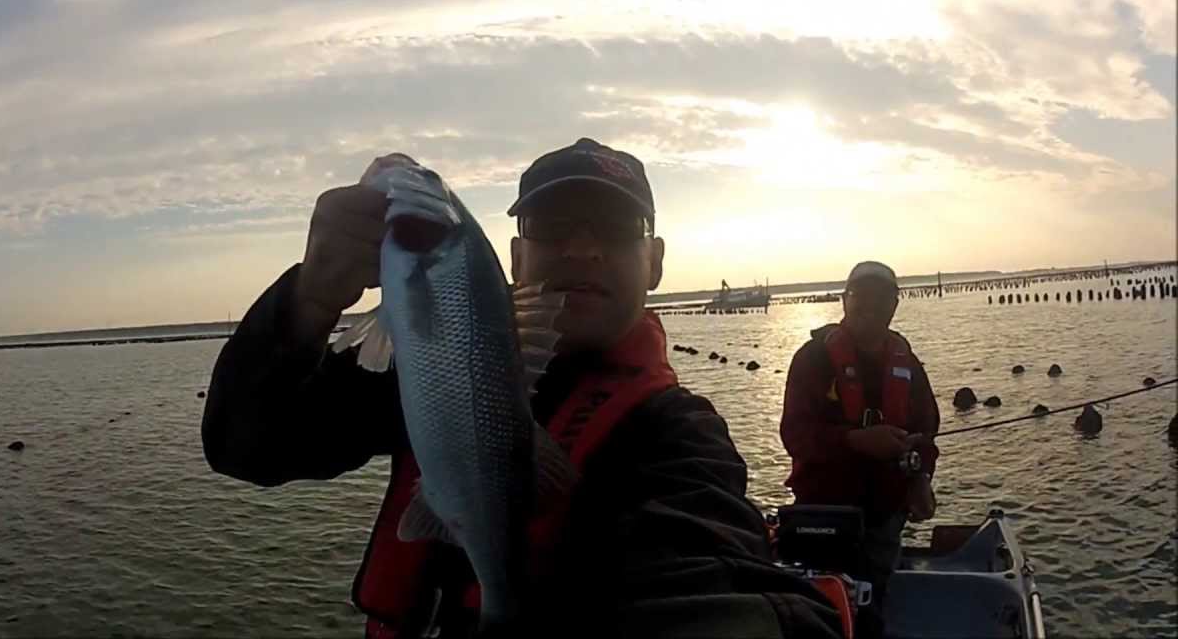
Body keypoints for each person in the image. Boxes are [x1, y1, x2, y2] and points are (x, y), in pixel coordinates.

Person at [203, 138, 844, 638]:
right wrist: (312, 297)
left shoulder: (679, 435)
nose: (583, 248)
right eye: (554, 226)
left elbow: (711, 576)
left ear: (654, 262)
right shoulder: (426, 367)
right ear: (515, 259)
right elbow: (245, 447)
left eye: (615, 227)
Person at [779, 260, 940, 636]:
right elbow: (795, 434)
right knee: (821, 615)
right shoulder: (813, 358)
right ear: (844, 300)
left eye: (881, 297)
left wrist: (921, 478)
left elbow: (926, 431)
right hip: (823, 516)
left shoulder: (906, 361)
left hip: (885, 518)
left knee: (873, 608)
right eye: (860, 295)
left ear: (894, 304)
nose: (870, 305)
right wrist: (855, 440)